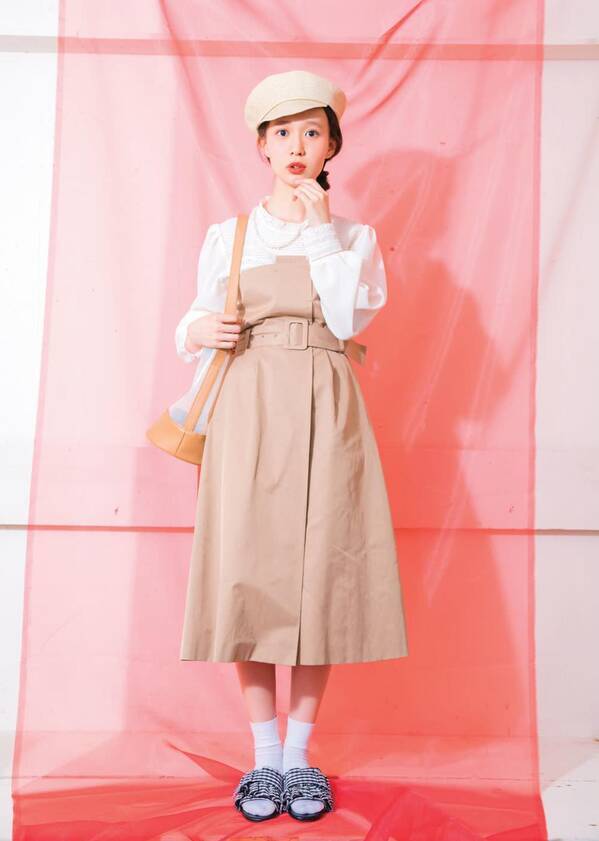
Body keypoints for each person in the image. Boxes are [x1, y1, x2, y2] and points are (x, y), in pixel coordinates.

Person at [175, 69, 409, 823]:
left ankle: (301, 759)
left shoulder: (352, 238)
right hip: (246, 409)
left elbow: (345, 319)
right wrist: (197, 328)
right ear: (261, 146)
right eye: (282, 133)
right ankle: (264, 758)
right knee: (247, 575)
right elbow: (192, 322)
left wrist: (317, 230)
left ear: (332, 145)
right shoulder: (229, 235)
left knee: (320, 579)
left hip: (326, 407)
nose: (297, 145)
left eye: (312, 131)